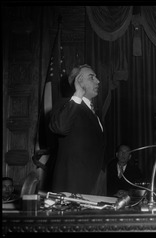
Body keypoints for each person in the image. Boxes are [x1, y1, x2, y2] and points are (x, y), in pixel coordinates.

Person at [49, 64, 106, 195]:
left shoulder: (95, 112)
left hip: (94, 185)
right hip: (72, 186)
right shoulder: (65, 104)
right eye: (92, 77)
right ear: (78, 81)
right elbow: (60, 127)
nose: (98, 81)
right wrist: (78, 93)